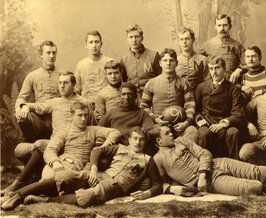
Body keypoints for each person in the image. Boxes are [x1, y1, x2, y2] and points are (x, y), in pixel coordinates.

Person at [1, 127, 162, 210]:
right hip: (99, 175)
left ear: (145, 142)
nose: (138, 142)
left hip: (114, 186)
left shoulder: (148, 160)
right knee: (63, 176)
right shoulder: (120, 148)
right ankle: (16, 195)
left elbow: (157, 185)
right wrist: (93, 170)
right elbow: (97, 151)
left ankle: (42, 199)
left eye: (141, 139)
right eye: (135, 138)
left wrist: (148, 193)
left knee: (85, 198)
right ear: (130, 140)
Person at [1, 72, 95, 196]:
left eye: (65, 83)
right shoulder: (55, 102)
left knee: (40, 145)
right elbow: (39, 106)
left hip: (72, 147)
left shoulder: (85, 104)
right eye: (60, 83)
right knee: (19, 149)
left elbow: (93, 127)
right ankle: (35, 176)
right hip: (55, 144)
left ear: (74, 84)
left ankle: (18, 184)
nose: (61, 86)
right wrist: (26, 107)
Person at [152, 125, 266, 197]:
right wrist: (176, 189)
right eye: (167, 133)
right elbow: (161, 182)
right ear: (158, 140)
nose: (171, 134)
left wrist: (202, 174)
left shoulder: (182, 140)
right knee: (253, 187)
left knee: (262, 171)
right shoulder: (157, 159)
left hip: (217, 163)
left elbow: (204, 153)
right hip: (212, 182)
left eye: (171, 132)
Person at [140, 48, 198, 143]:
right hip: (159, 125)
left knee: (192, 131)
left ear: (176, 63)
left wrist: (186, 123)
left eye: (171, 60)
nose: (168, 63)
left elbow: (190, 105)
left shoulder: (184, 83)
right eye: (165, 60)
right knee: (147, 133)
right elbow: (143, 106)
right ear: (160, 63)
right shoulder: (151, 83)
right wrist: (155, 118)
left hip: (180, 126)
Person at [194, 55, 245, 159]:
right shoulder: (201, 87)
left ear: (224, 69)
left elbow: (238, 113)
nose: (214, 72)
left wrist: (223, 124)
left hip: (224, 123)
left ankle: (234, 166)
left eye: (217, 68)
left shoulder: (233, 88)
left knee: (233, 132)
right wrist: (199, 120)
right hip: (207, 122)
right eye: (211, 68)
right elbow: (195, 109)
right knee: (203, 134)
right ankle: (205, 167)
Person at [15, 40, 61, 143]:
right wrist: (19, 108)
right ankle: (32, 144)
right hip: (39, 119)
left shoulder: (63, 75)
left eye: (54, 53)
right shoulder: (32, 76)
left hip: (58, 118)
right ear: (41, 54)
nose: (51, 56)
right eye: (48, 53)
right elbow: (22, 97)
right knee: (23, 117)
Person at [99, 82, 154, 151]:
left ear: (135, 96)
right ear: (119, 96)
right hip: (115, 148)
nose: (126, 97)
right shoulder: (112, 113)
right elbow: (99, 130)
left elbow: (149, 130)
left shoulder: (142, 113)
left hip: (135, 148)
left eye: (130, 94)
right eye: (123, 94)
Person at [120, 24, 161, 99]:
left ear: (142, 38)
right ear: (127, 40)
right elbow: (124, 82)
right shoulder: (124, 59)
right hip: (133, 99)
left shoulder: (154, 56)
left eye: (136, 36)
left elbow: (161, 78)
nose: (134, 40)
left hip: (152, 96)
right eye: (131, 37)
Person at [199, 14, 244, 82]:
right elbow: (197, 62)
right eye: (219, 25)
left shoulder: (238, 46)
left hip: (232, 84)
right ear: (215, 27)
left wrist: (239, 70)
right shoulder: (207, 45)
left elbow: (247, 63)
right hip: (212, 85)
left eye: (225, 25)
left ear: (230, 26)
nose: (222, 28)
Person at [75, 30, 113, 101]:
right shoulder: (81, 65)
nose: (94, 45)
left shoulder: (109, 62)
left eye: (96, 42)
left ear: (101, 44)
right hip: (86, 104)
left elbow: (116, 86)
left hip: (106, 102)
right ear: (86, 45)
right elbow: (77, 90)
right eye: (91, 42)